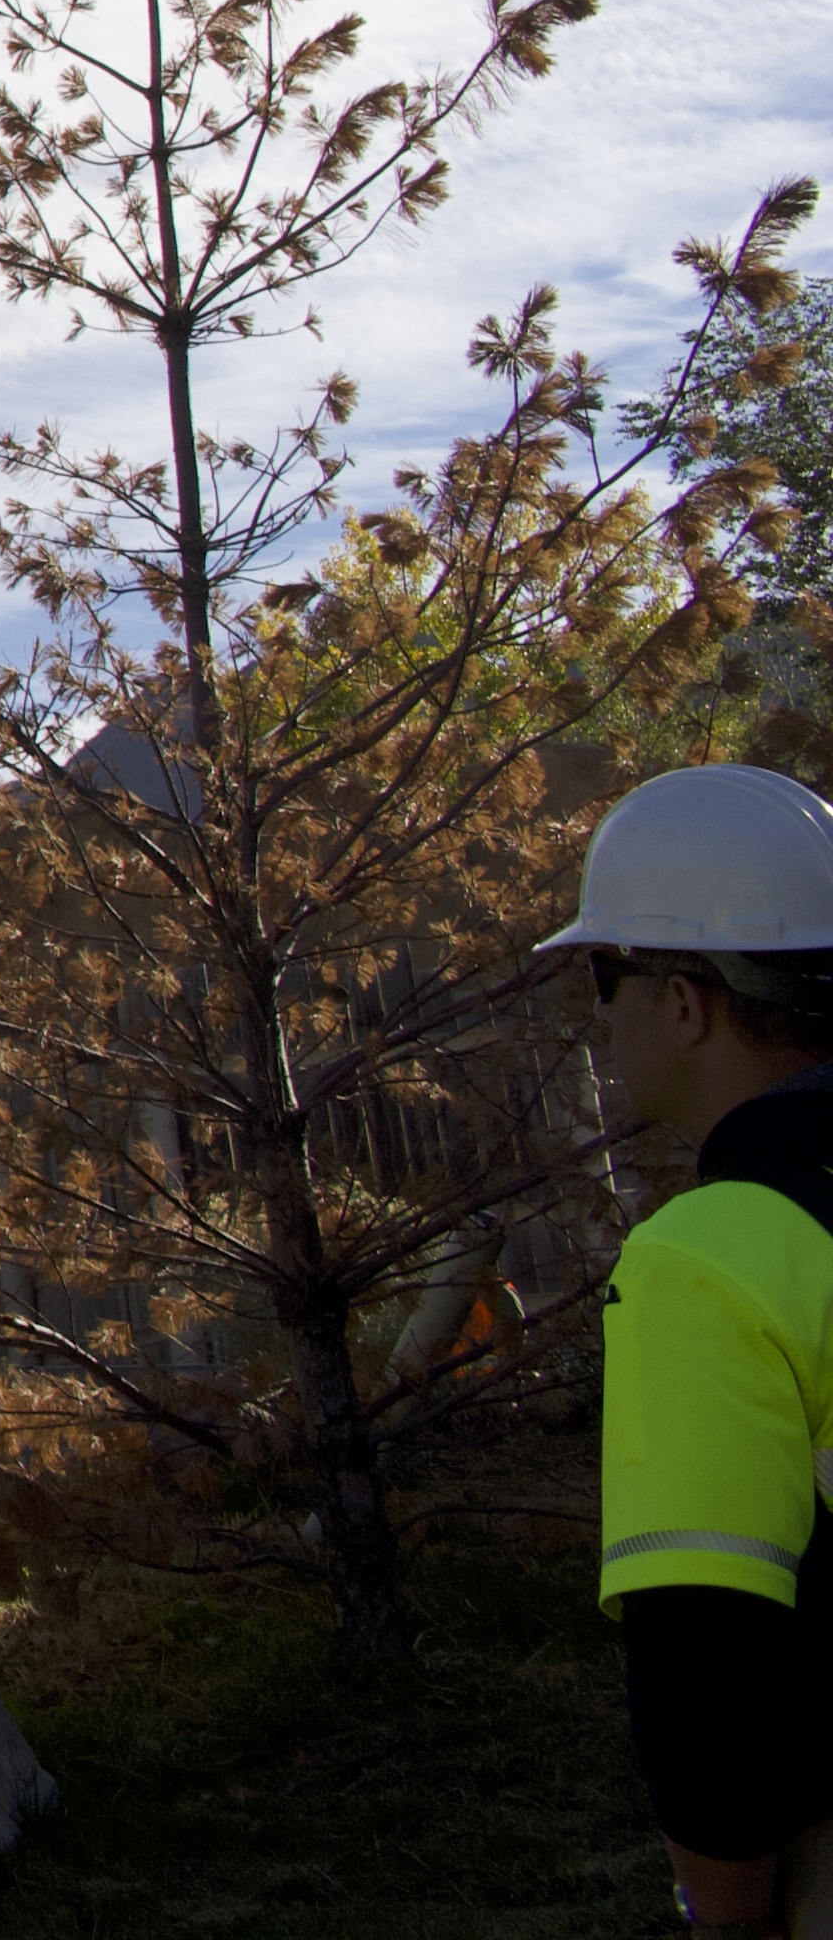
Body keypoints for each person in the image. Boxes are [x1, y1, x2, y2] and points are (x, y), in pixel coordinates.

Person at [543, 762, 833, 1933]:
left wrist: (727, 1920)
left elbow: (707, 1676)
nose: (597, 1014)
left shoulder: (709, 1255)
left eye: (605, 974)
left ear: (684, 999)